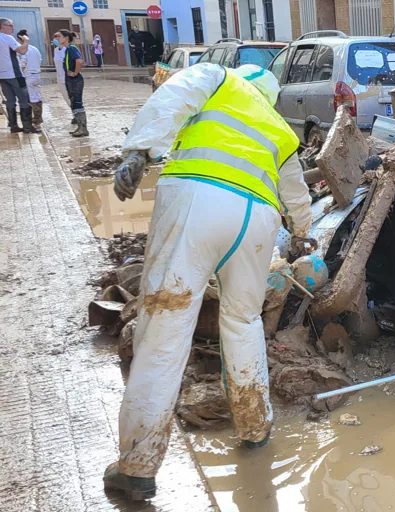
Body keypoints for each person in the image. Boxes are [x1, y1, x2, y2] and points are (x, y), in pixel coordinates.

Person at [102, 63, 314, 501]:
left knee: (164, 330)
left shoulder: (219, 76)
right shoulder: (280, 128)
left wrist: (139, 151)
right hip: (257, 220)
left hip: (195, 201)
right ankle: (255, 427)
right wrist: (300, 233)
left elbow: (173, 95)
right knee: (243, 321)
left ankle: (137, 466)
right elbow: (295, 196)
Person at [0, 17, 38, 134]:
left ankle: (14, 126)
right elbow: (22, 51)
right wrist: (26, 41)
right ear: (2, 27)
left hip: (2, 76)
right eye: (11, 26)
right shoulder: (7, 38)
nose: (13, 28)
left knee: (10, 100)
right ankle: (27, 126)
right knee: (24, 99)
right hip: (14, 74)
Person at [56, 29, 88, 137]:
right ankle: (80, 127)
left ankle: (83, 128)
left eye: (59, 36)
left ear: (66, 38)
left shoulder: (72, 48)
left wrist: (75, 73)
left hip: (75, 80)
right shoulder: (67, 49)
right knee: (74, 103)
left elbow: (79, 61)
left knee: (77, 103)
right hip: (70, 80)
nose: (57, 39)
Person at [16, 30, 42, 128]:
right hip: (37, 74)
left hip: (29, 75)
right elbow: (40, 59)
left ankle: (36, 119)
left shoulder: (24, 51)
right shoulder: (35, 49)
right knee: (37, 96)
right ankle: (38, 118)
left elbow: (23, 64)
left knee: (31, 98)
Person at [52, 34, 74, 126]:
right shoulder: (56, 50)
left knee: (72, 98)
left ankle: (77, 115)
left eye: (58, 36)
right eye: (55, 37)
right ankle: (74, 114)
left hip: (68, 78)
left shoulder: (68, 49)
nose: (56, 39)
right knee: (66, 98)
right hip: (60, 78)